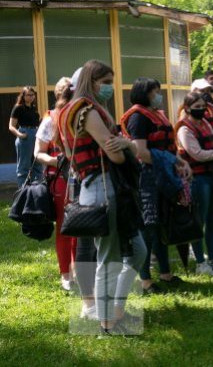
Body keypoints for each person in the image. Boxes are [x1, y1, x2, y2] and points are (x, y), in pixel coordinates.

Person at [57, 59, 147, 334]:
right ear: (90, 81)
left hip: (95, 186)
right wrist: (126, 146)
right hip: (101, 187)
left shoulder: (67, 111)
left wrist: (125, 144)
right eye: (105, 82)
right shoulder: (86, 110)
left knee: (138, 251)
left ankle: (115, 310)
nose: (109, 87)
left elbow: (118, 147)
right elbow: (116, 155)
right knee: (108, 257)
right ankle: (107, 322)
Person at [120, 77, 190, 294]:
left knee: (162, 224)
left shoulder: (157, 113)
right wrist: (168, 163)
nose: (158, 95)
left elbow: (168, 145)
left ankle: (166, 273)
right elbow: (140, 151)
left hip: (163, 173)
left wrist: (178, 161)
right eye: (154, 92)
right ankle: (146, 281)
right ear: (144, 93)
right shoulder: (138, 118)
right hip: (147, 177)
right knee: (148, 227)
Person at [176, 92, 213, 275]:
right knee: (198, 221)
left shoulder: (206, 123)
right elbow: (197, 154)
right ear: (187, 109)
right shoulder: (184, 129)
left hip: (212, 176)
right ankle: (201, 262)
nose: (201, 110)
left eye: (203, 107)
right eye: (197, 107)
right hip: (197, 180)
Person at [34, 78, 74, 291]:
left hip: (82, 177)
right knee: (65, 227)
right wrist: (57, 160)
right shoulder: (50, 119)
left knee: (83, 226)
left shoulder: (82, 115)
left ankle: (80, 270)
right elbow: (38, 153)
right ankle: (66, 274)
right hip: (59, 179)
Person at [9, 86, 42, 186]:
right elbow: (11, 126)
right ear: (23, 96)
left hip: (36, 135)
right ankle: (22, 192)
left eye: (33, 95)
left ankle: (36, 190)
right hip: (25, 135)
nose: (31, 97)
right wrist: (20, 135)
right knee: (24, 166)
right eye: (28, 95)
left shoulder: (33, 107)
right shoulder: (18, 107)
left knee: (37, 164)